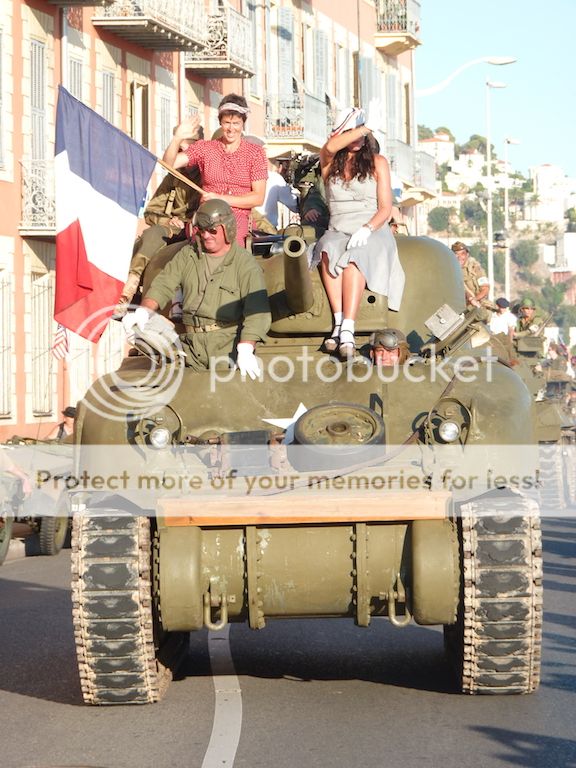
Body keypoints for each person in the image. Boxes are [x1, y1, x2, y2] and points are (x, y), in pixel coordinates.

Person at [122, 200, 271, 376]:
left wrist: (246, 348)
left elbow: (257, 312)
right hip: (189, 346)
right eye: (201, 230)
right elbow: (164, 283)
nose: (206, 235)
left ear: (227, 229)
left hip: (227, 347)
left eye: (212, 230)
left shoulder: (244, 263)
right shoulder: (188, 254)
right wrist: (144, 312)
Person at [315, 103, 405, 359]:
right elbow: (330, 147)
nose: (357, 138)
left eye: (361, 134)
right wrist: (364, 126)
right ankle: (338, 319)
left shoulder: (378, 163)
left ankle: (348, 328)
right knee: (326, 250)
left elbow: (386, 207)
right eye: (350, 132)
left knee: (356, 256)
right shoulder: (329, 161)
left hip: (372, 228)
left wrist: (368, 228)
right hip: (339, 226)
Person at [115, 129, 203, 313]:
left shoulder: (210, 173)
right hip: (174, 230)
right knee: (152, 234)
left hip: (202, 229)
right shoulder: (174, 177)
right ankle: (130, 285)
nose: (182, 151)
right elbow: (151, 212)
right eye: (180, 147)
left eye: (188, 146)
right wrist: (169, 221)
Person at [164, 93, 268, 247]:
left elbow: (258, 198)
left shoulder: (256, 153)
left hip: (237, 219)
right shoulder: (205, 148)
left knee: (232, 246)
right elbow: (168, 163)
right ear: (220, 122)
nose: (231, 128)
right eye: (227, 123)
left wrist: (220, 198)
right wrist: (177, 138)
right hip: (206, 216)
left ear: (243, 124)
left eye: (236, 123)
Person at [255, 155, 299, 230]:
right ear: (280, 167)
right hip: (266, 229)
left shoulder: (238, 177)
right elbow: (294, 204)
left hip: (242, 227)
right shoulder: (275, 178)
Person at [450, 242, 492, 321]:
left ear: (467, 255)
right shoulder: (449, 270)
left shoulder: (475, 268)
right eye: (456, 254)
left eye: (462, 254)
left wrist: (474, 299)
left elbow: (485, 289)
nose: (459, 257)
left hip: (477, 307)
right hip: (458, 309)